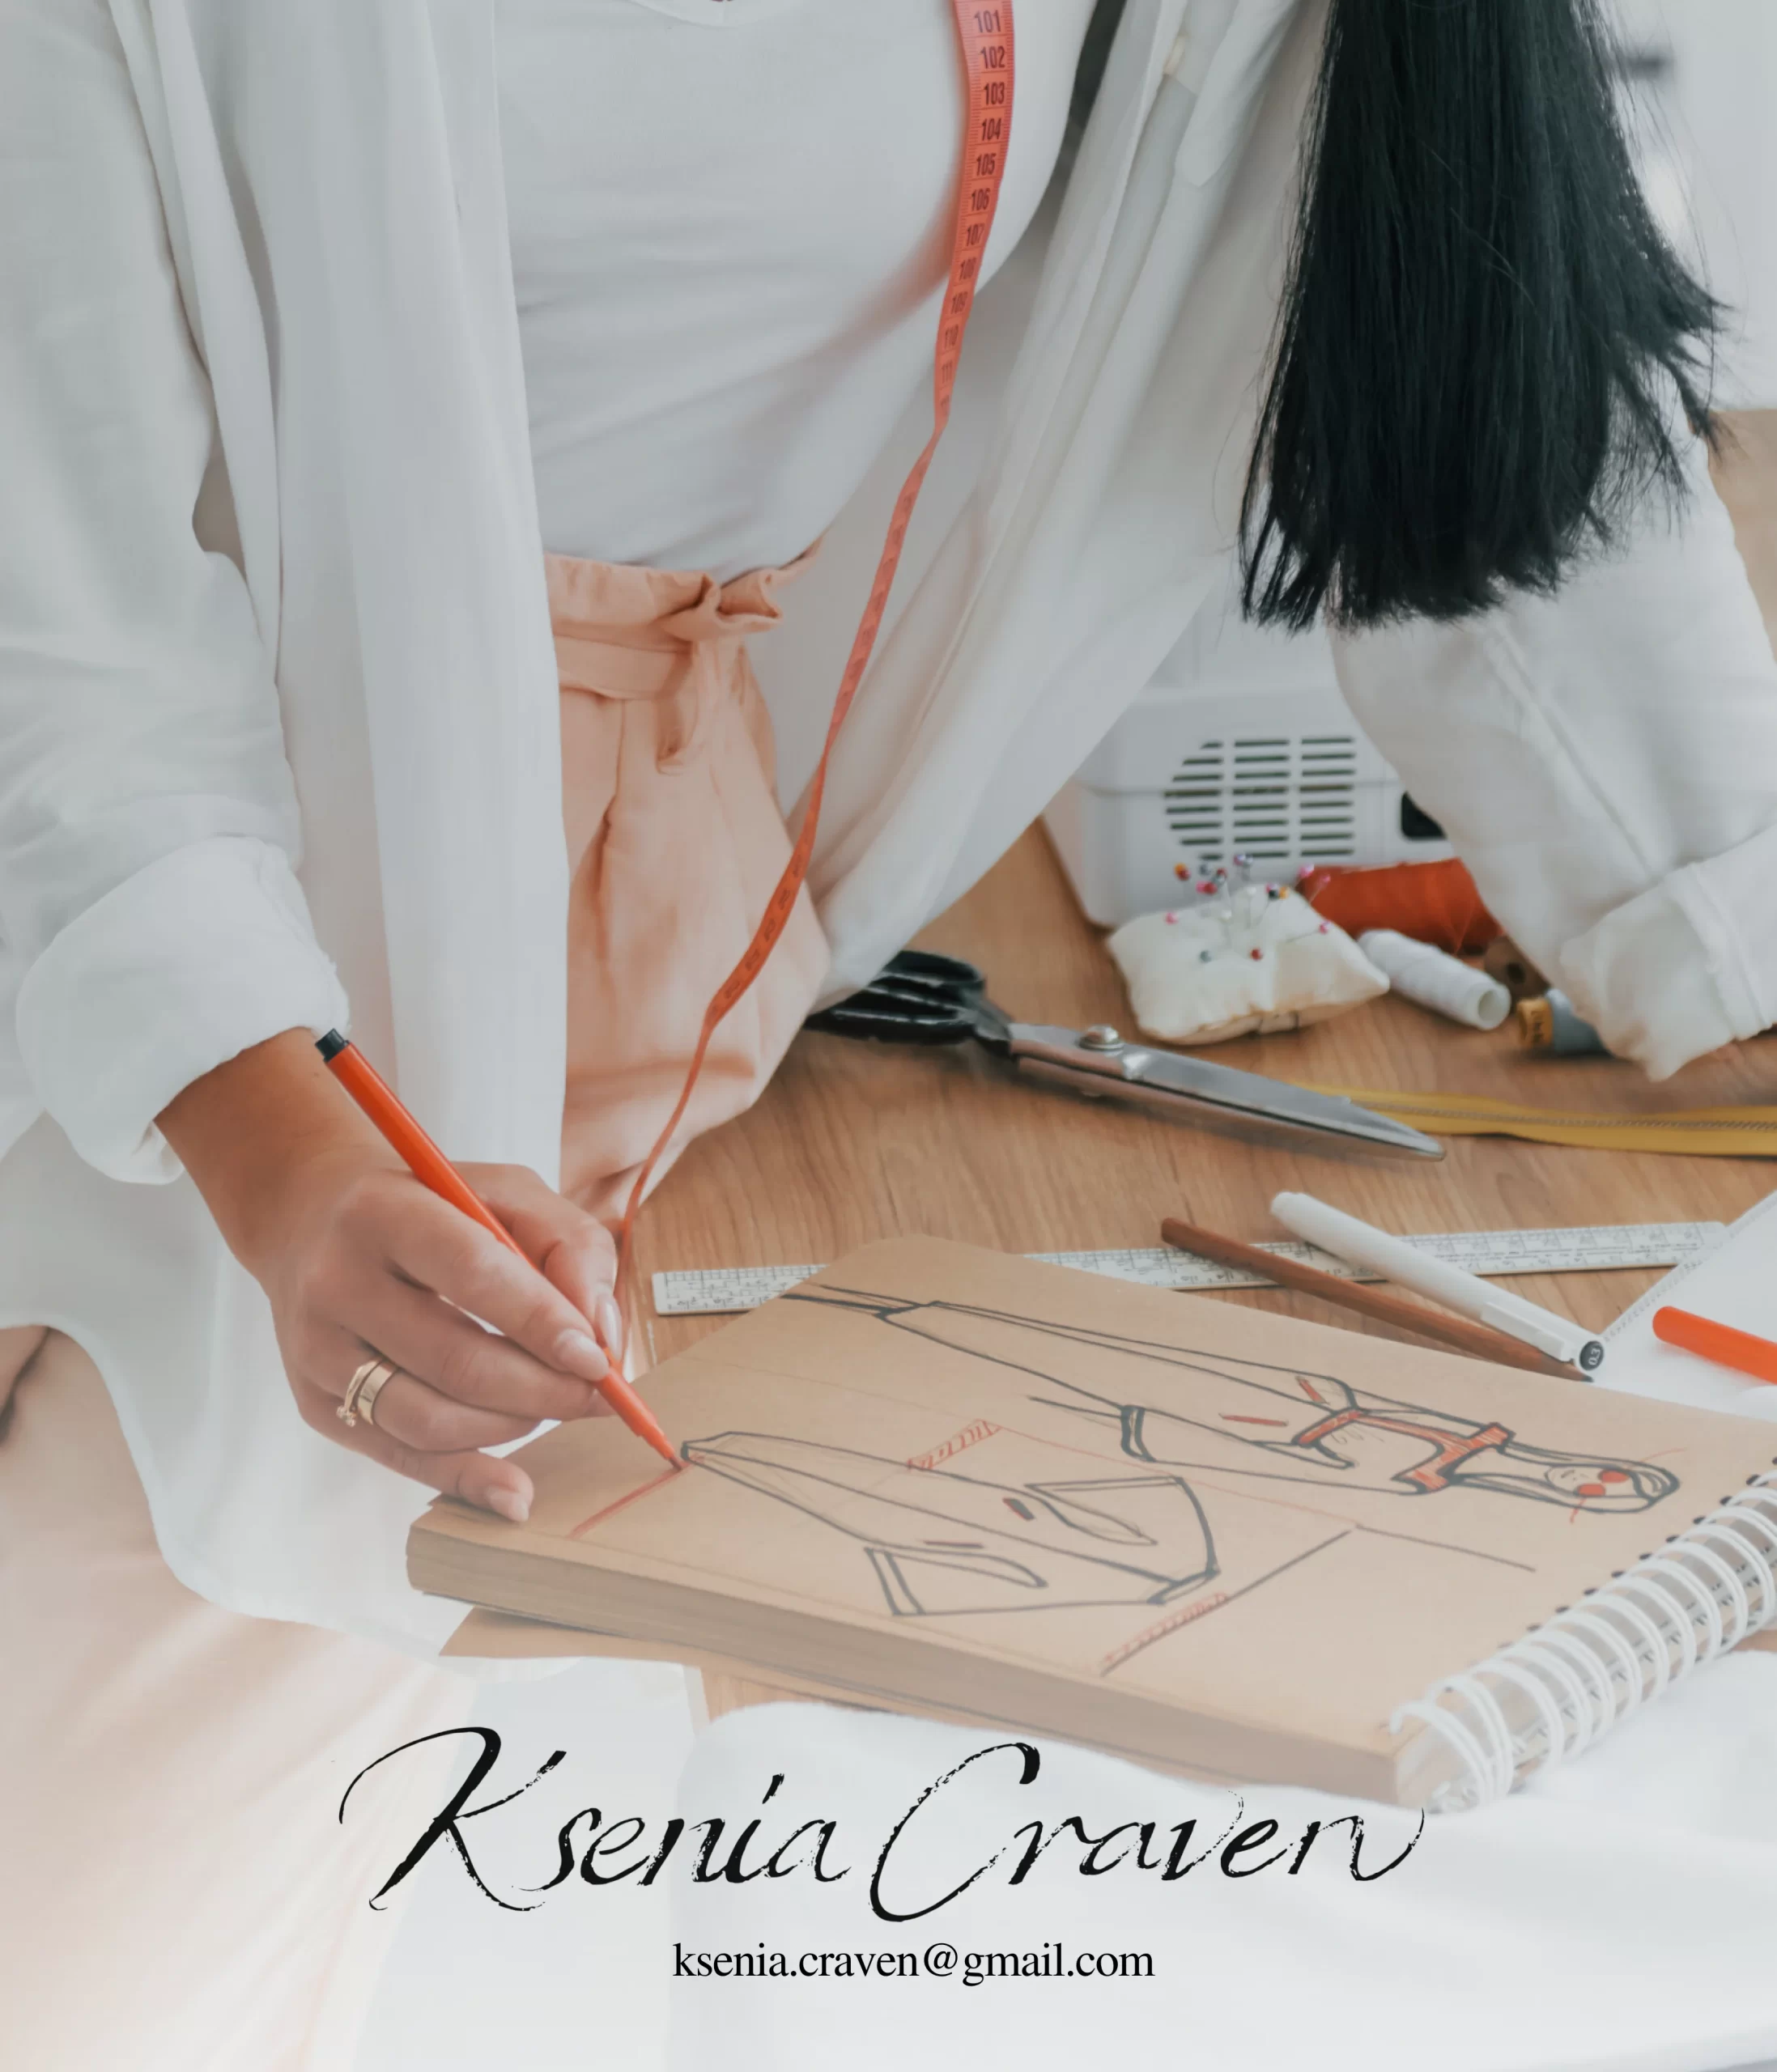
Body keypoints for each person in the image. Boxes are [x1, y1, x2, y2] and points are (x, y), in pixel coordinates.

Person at [4, 0, 1775, 2064]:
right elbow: (57, 588)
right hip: (222, 1013)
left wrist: (1724, 930)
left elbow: (1457, 336)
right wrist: (273, 1140)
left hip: (471, 1054)